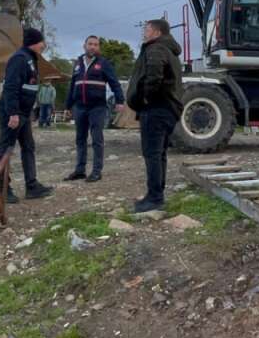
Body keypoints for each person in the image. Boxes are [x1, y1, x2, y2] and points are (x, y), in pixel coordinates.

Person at [126, 19, 183, 213]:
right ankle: (156, 194)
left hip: (157, 109)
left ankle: (155, 198)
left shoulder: (157, 49)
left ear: (157, 32)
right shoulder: (169, 50)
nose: (144, 33)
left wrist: (145, 99)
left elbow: (154, 76)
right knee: (159, 154)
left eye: (147, 30)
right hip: (167, 109)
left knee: (152, 153)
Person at [0, 27, 55, 204]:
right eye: (41, 42)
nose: (44, 45)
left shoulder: (31, 59)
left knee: (28, 146)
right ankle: (2, 189)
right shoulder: (19, 59)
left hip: (24, 113)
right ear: (34, 43)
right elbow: (11, 87)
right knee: (6, 148)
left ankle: (32, 186)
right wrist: (13, 113)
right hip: (13, 113)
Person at [63, 35, 126, 183]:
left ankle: (97, 171)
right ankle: (80, 170)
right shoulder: (78, 64)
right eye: (90, 44)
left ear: (99, 48)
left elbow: (114, 83)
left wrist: (120, 100)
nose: (93, 47)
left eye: (96, 45)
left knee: (97, 140)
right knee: (80, 139)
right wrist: (67, 106)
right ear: (84, 46)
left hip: (97, 108)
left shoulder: (104, 63)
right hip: (79, 107)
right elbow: (73, 85)